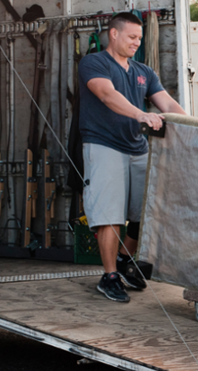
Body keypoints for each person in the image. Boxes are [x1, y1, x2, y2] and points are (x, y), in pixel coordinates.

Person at [79, 12, 187, 303]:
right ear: (114, 34)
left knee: (144, 214)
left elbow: (167, 103)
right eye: (131, 37)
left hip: (137, 148)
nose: (136, 43)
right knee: (110, 215)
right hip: (104, 146)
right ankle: (110, 275)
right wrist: (140, 113)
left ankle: (126, 261)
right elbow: (106, 94)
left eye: (139, 38)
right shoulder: (94, 63)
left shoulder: (144, 71)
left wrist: (195, 127)